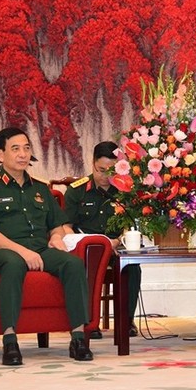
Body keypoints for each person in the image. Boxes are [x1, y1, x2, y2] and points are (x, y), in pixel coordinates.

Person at [0, 127, 94, 365]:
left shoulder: (40, 188)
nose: (23, 154)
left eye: (27, 148)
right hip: (4, 252)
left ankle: (79, 338)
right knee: (13, 264)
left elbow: (57, 225)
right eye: (15, 149)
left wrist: (57, 238)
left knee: (73, 264)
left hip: (41, 250)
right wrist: (23, 251)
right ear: (0, 154)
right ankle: (10, 343)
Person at [63, 141, 142, 339]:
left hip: (115, 247)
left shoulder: (126, 191)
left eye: (111, 170)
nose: (106, 176)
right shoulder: (77, 190)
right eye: (101, 170)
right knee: (84, 266)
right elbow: (66, 226)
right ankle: (89, 322)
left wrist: (119, 240)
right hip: (87, 250)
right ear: (92, 164)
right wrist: (80, 244)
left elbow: (131, 224)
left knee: (133, 266)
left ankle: (126, 320)